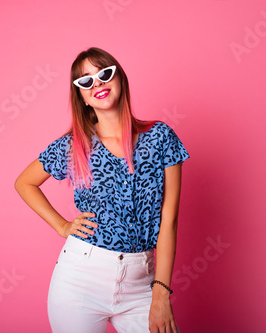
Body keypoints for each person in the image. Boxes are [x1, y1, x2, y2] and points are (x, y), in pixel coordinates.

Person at [15, 47, 189, 333]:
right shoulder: (74, 146)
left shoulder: (160, 138)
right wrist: (61, 226)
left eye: (104, 73)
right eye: (86, 81)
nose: (97, 83)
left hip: (141, 282)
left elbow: (168, 221)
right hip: (80, 279)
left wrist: (161, 293)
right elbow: (24, 182)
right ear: (81, 96)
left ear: (119, 78)